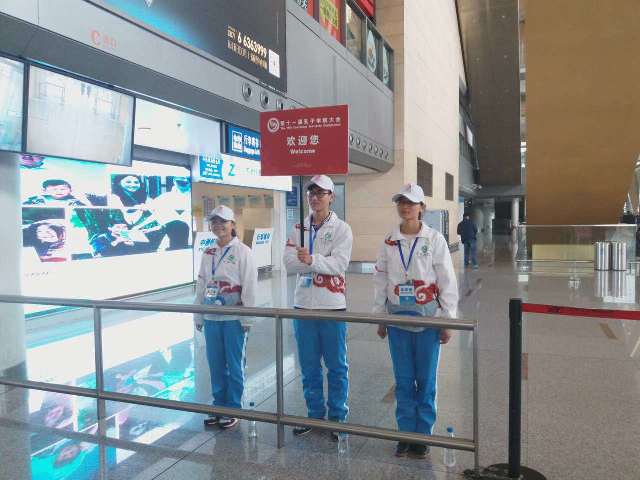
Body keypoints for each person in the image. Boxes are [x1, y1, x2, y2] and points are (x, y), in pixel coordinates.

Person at [373, 183, 459, 459]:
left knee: (425, 379)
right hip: (397, 320)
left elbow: (447, 280)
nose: (405, 207)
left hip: (427, 322)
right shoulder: (389, 240)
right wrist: (380, 317)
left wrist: (447, 320)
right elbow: (381, 279)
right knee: (403, 379)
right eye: (401, 202)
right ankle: (405, 433)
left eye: (411, 202)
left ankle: (422, 434)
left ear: (422, 207)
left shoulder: (434, 239)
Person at [283, 175, 353, 439]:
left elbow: (340, 264)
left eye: (320, 193)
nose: (314, 198)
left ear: (331, 197)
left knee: (336, 366)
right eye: (311, 193)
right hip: (303, 306)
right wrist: (317, 261)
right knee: (309, 366)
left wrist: (311, 259)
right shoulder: (298, 228)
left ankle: (338, 418)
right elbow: (289, 264)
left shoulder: (342, 229)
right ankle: (314, 415)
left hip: (332, 307)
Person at [194, 205, 258, 430]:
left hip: (234, 319)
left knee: (235, 364)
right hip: (212, 317)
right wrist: (198, 315)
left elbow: (250, 286)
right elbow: (201, 284)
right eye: (214, 222)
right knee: (215, 364)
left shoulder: (243, 252)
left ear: (232, 224)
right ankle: (219, 406)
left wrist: (247, 318)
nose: (218, 225)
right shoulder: (208, 252)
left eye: (223, 221)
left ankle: (233, 407)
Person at [23, 179, 88, 207]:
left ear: (71, 190)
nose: (59, 191)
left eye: (63, 189)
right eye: (54, 189)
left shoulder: (75, 201)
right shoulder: (36, 200)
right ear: (44, 190)